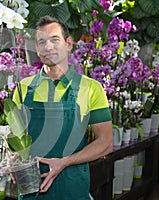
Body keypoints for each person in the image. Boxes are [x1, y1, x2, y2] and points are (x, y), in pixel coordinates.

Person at [12, 15, 114, 199]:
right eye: (41, 42)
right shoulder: (23, 88)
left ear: (68, 43)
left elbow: (105, 143)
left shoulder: (91, 88)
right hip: (32, 190)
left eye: (54, 40)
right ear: (37, 48)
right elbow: (16, 137)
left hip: (72, 187)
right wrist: (14, 159)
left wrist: (64, 162)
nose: (48, 47)